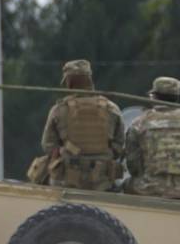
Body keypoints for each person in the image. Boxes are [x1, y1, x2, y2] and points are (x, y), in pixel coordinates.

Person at [35, 59, 125, 190]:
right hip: (102, 183)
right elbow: (118, 146)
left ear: (69, 82)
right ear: (90, 80)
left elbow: (48, 146)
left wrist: (66, 150)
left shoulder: (59, 110)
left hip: (67, 182)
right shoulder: (111, 108)